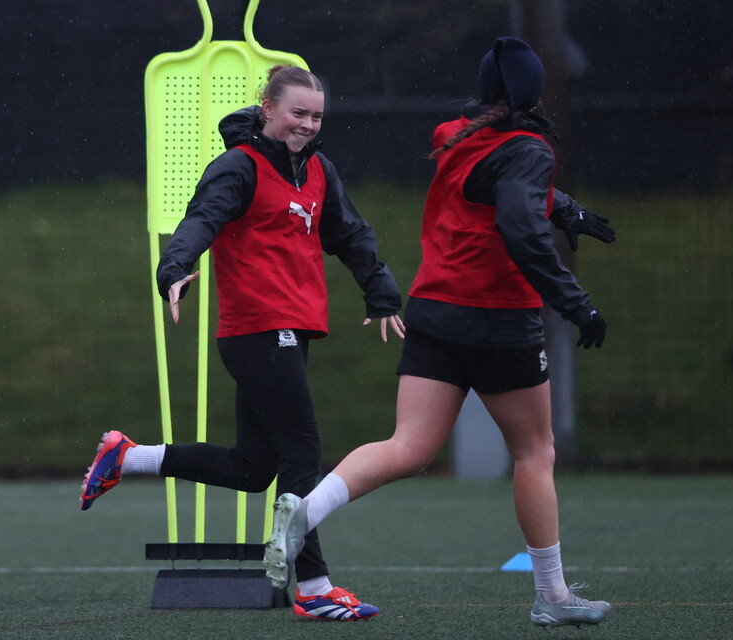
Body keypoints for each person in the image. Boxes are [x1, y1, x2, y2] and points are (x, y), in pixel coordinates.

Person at [264, 38, 615, 629]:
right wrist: (575, 303)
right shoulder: (527, 147)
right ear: (533, 93)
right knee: (534, 450)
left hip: (433, 311)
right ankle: (552, 595)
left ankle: (308, 509)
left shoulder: (454, 133)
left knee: (408, 446)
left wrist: (562, 205)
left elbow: (493, 186)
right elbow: (518, 223)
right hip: (500, 317)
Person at [79, 65, 405, 622]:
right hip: (256, 328)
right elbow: (201, 220)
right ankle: (315, 588)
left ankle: (127, 457)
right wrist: (176, 268)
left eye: (316, 116)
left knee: (255, 469)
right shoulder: (238, 167)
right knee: (303, 449)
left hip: (293, 329)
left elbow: (349, 233)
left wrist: (381, 291)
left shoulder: (319, 169)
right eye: (297, 112)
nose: (307, 124)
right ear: (269, 108)